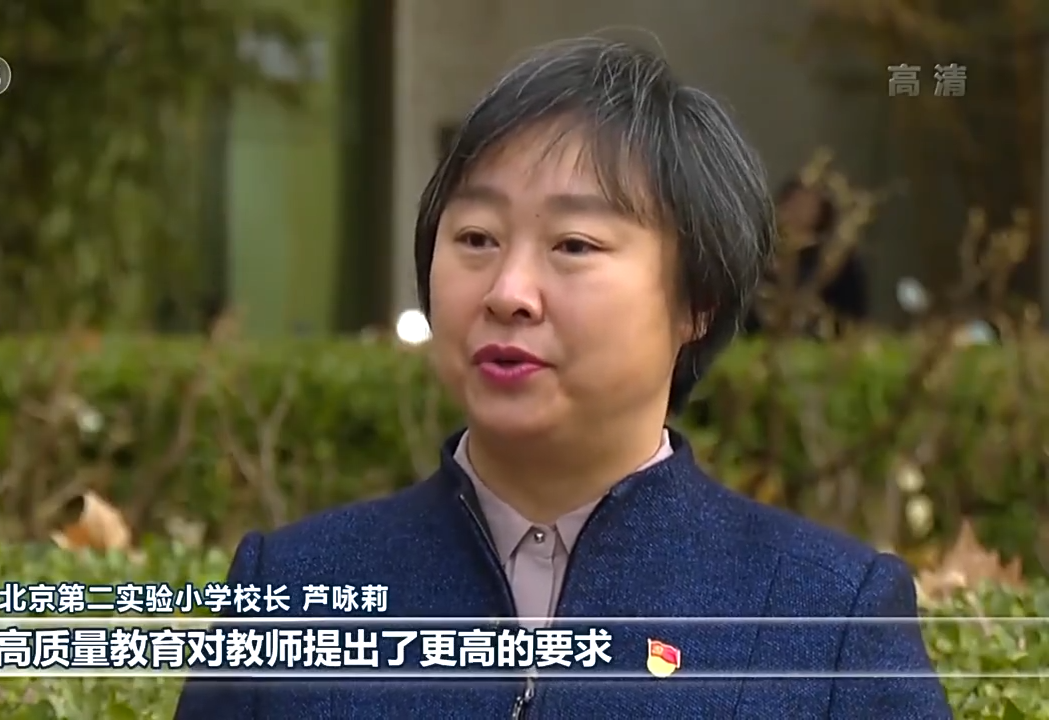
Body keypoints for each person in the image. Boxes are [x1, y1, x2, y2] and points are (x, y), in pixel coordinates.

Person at [175, 38, 949, 719]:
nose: (508, 292)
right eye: (476, 238)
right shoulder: (292, 593)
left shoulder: (827, 617)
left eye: (574, 245)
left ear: (697, 302)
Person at [744, 177, 870, 334]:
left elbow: (851, 317)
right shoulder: (760, 250)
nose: (797, 211)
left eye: (807, 205)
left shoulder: (839, 261)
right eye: (794, 201)